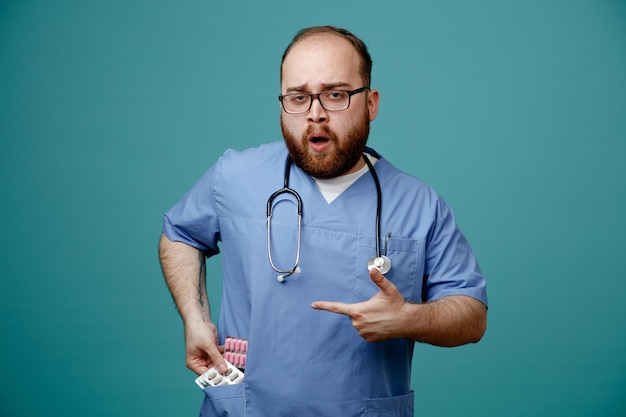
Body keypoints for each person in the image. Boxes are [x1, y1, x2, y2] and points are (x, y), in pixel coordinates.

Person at [159, 25, 487, 417]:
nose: (315, 113)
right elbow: (179, 234)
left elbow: (472, 315)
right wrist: (195, 321)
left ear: (371, 103)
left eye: (335, 95)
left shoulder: (420, 205)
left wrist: (408, 319)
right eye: (298, 97)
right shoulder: (235, 176)